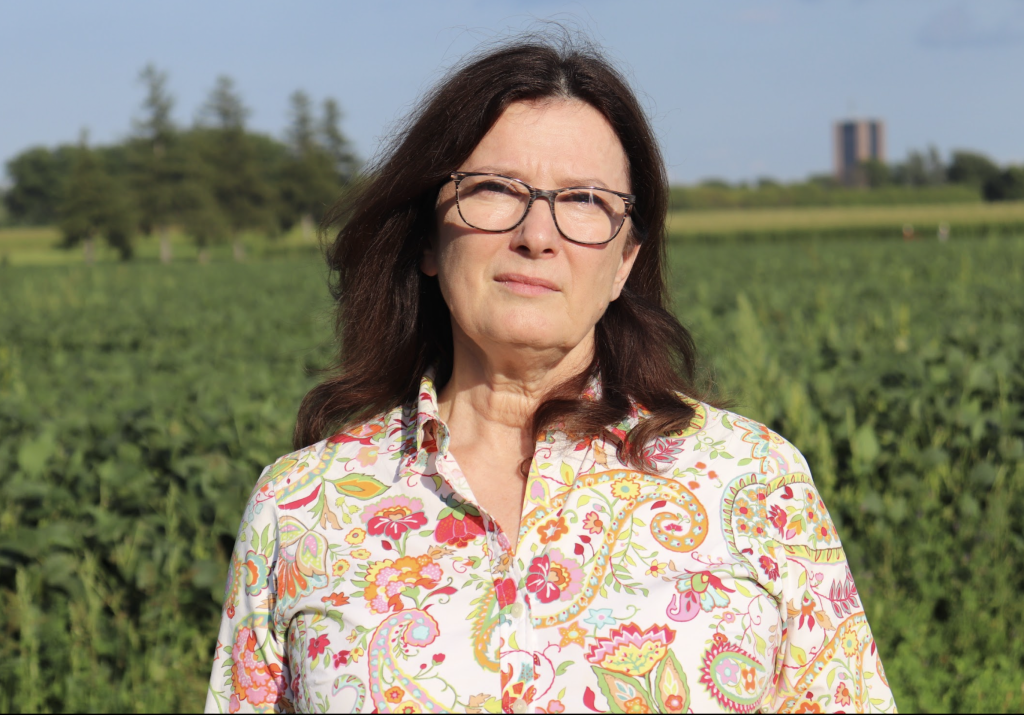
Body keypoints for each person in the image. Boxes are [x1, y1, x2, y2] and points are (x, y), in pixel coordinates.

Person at [206, 36, 896, 714]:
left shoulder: (754, 480)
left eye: (585, 201)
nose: (537, 235)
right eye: (495, 189)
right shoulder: (300, 507)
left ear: (626, 259)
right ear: (427, 236)